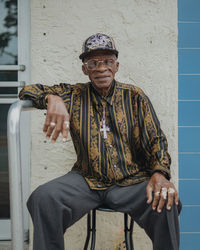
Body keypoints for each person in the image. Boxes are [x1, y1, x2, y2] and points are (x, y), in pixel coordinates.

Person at [19, 33, 181, 250]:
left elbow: (156, 140)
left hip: (130, 181)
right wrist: (52, 98)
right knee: (43, 198)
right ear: (85, 69)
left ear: (117, 66)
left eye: (108, 61)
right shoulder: (74, 94)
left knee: (167, 200)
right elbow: (27, 90)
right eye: (93, 63)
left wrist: (160, 174)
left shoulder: (134, 96)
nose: (101, 68)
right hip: (86, 180)